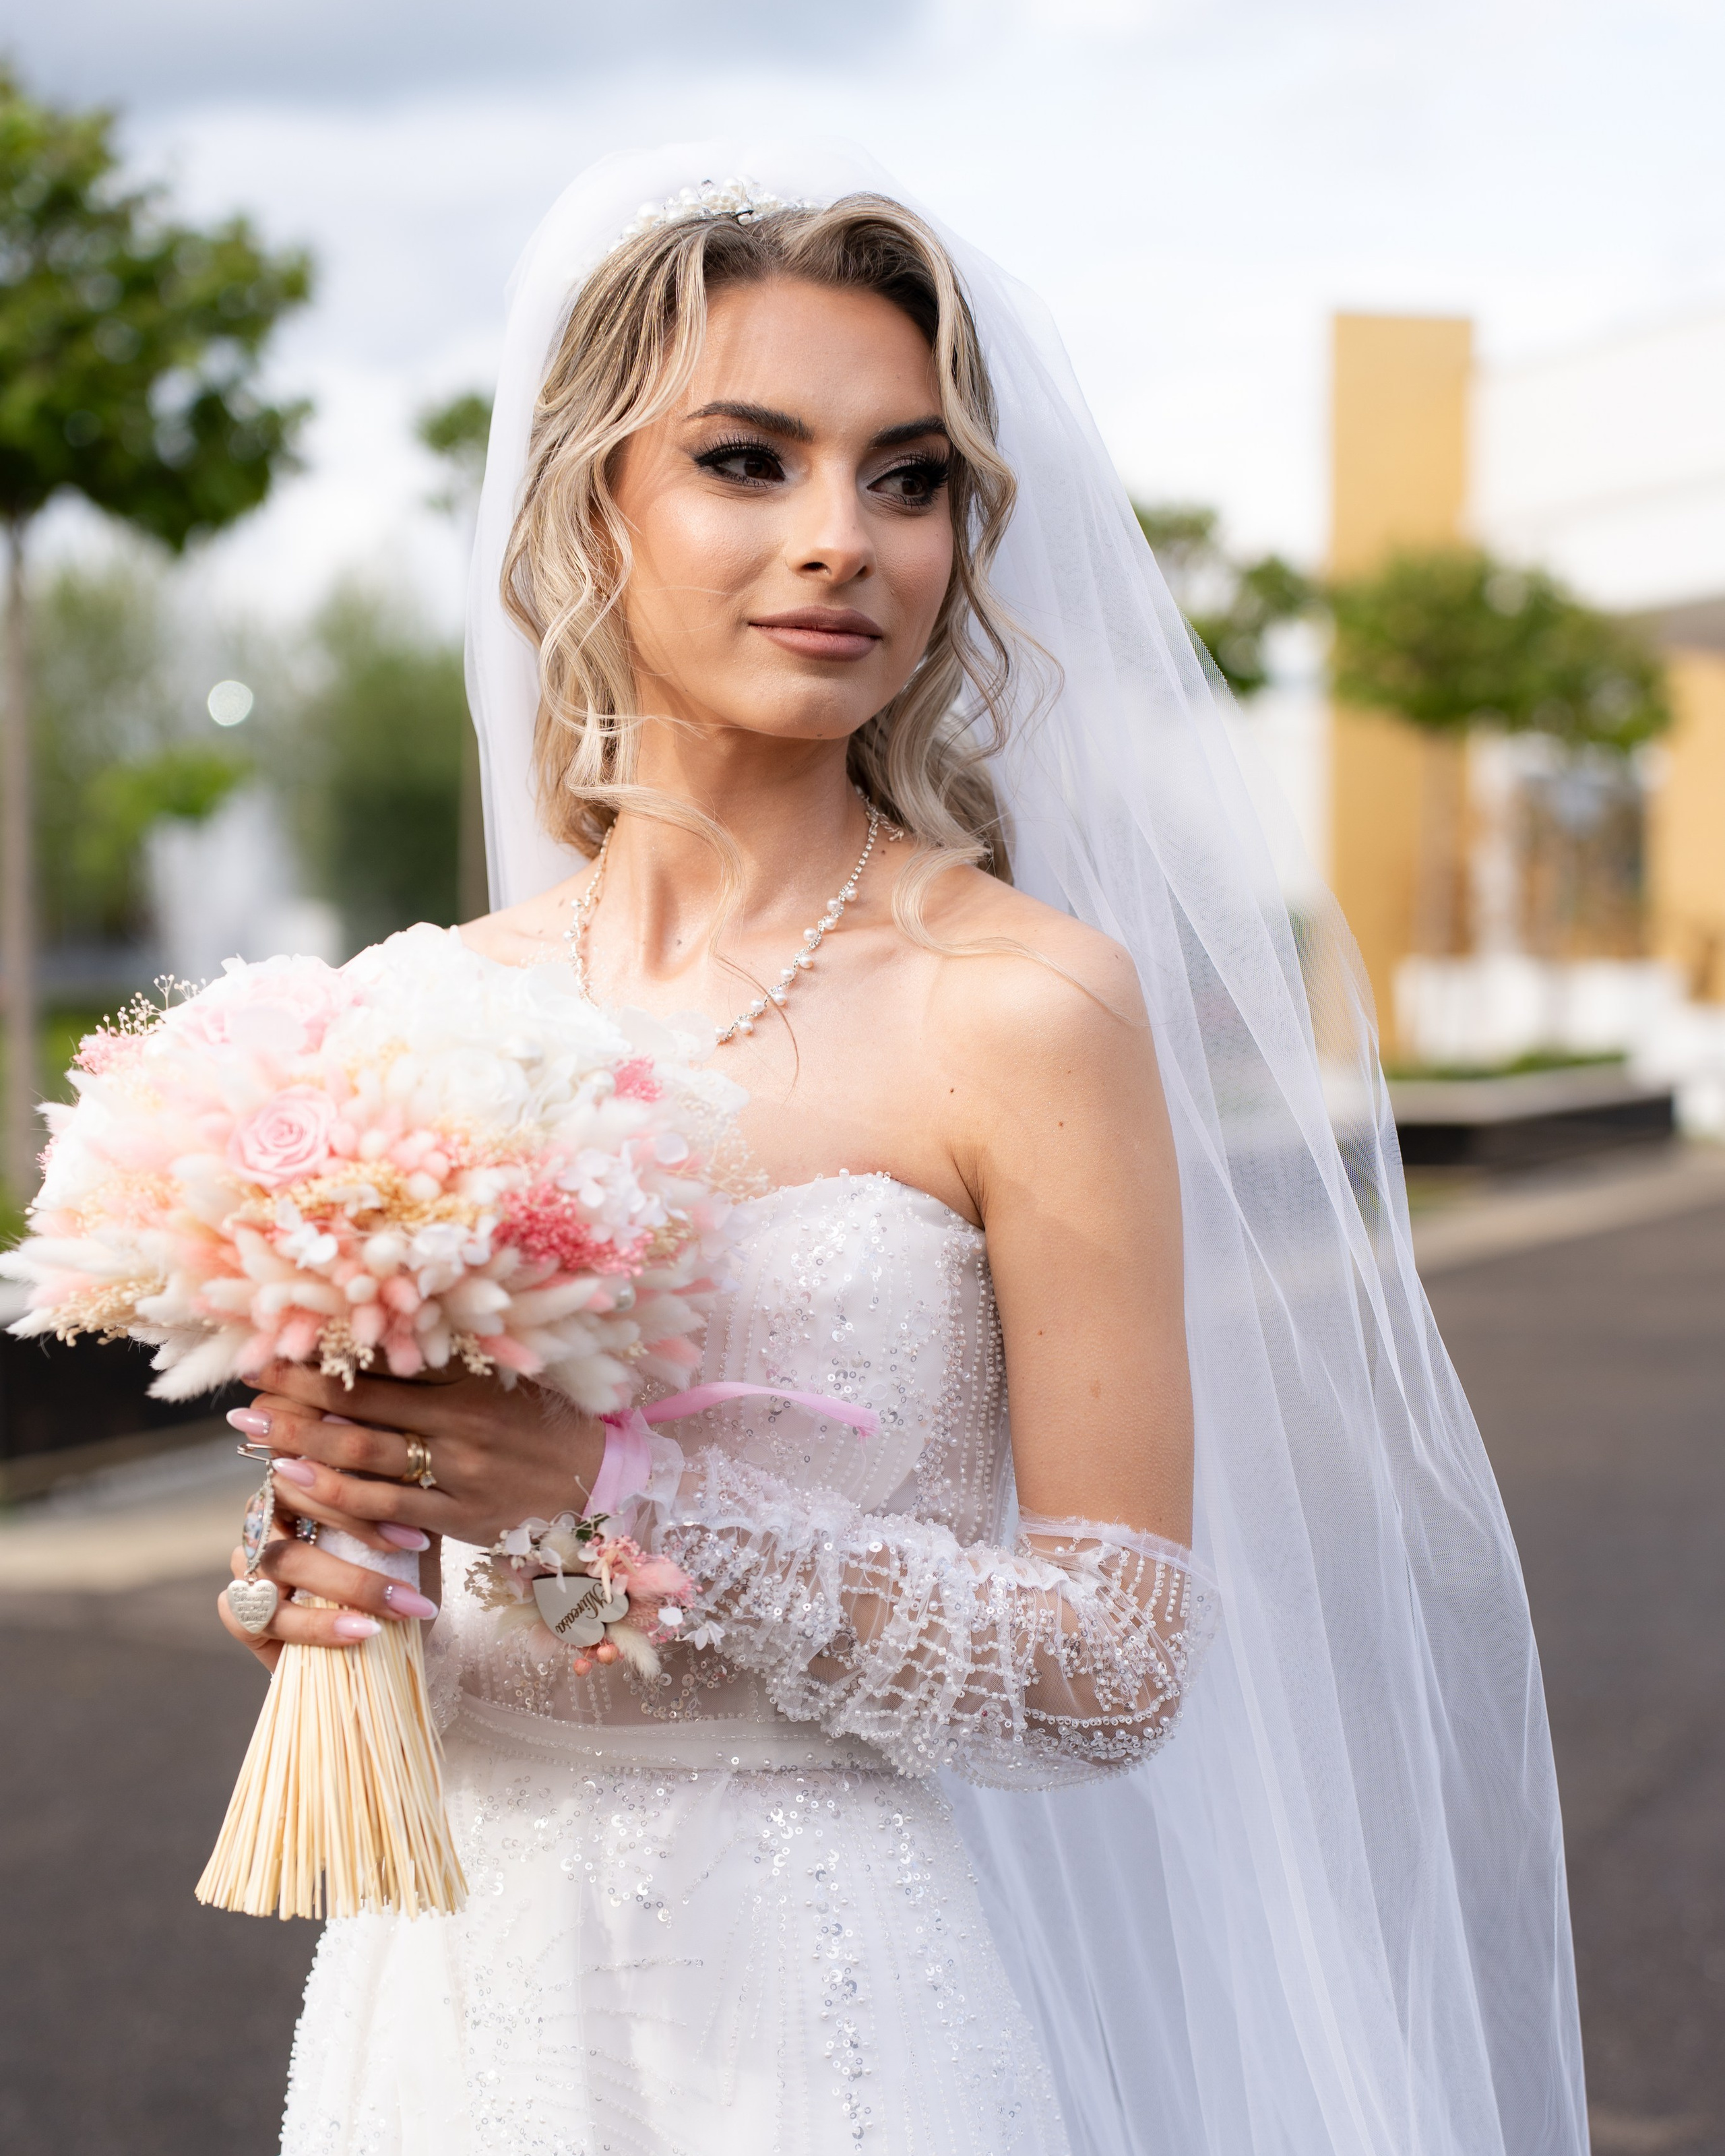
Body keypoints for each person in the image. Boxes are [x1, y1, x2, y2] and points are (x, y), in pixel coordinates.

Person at [218, 146, 1588, 2156]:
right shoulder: (422, 1005)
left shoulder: (1023, 1004)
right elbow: (396, 1573)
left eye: (909, 475)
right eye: (749, 463)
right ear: (595, 503)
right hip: (445, 1995)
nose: (843, 540)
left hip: (829, 2013)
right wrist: (313, 1555)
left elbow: (1116, 1667)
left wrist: (615, 1488)